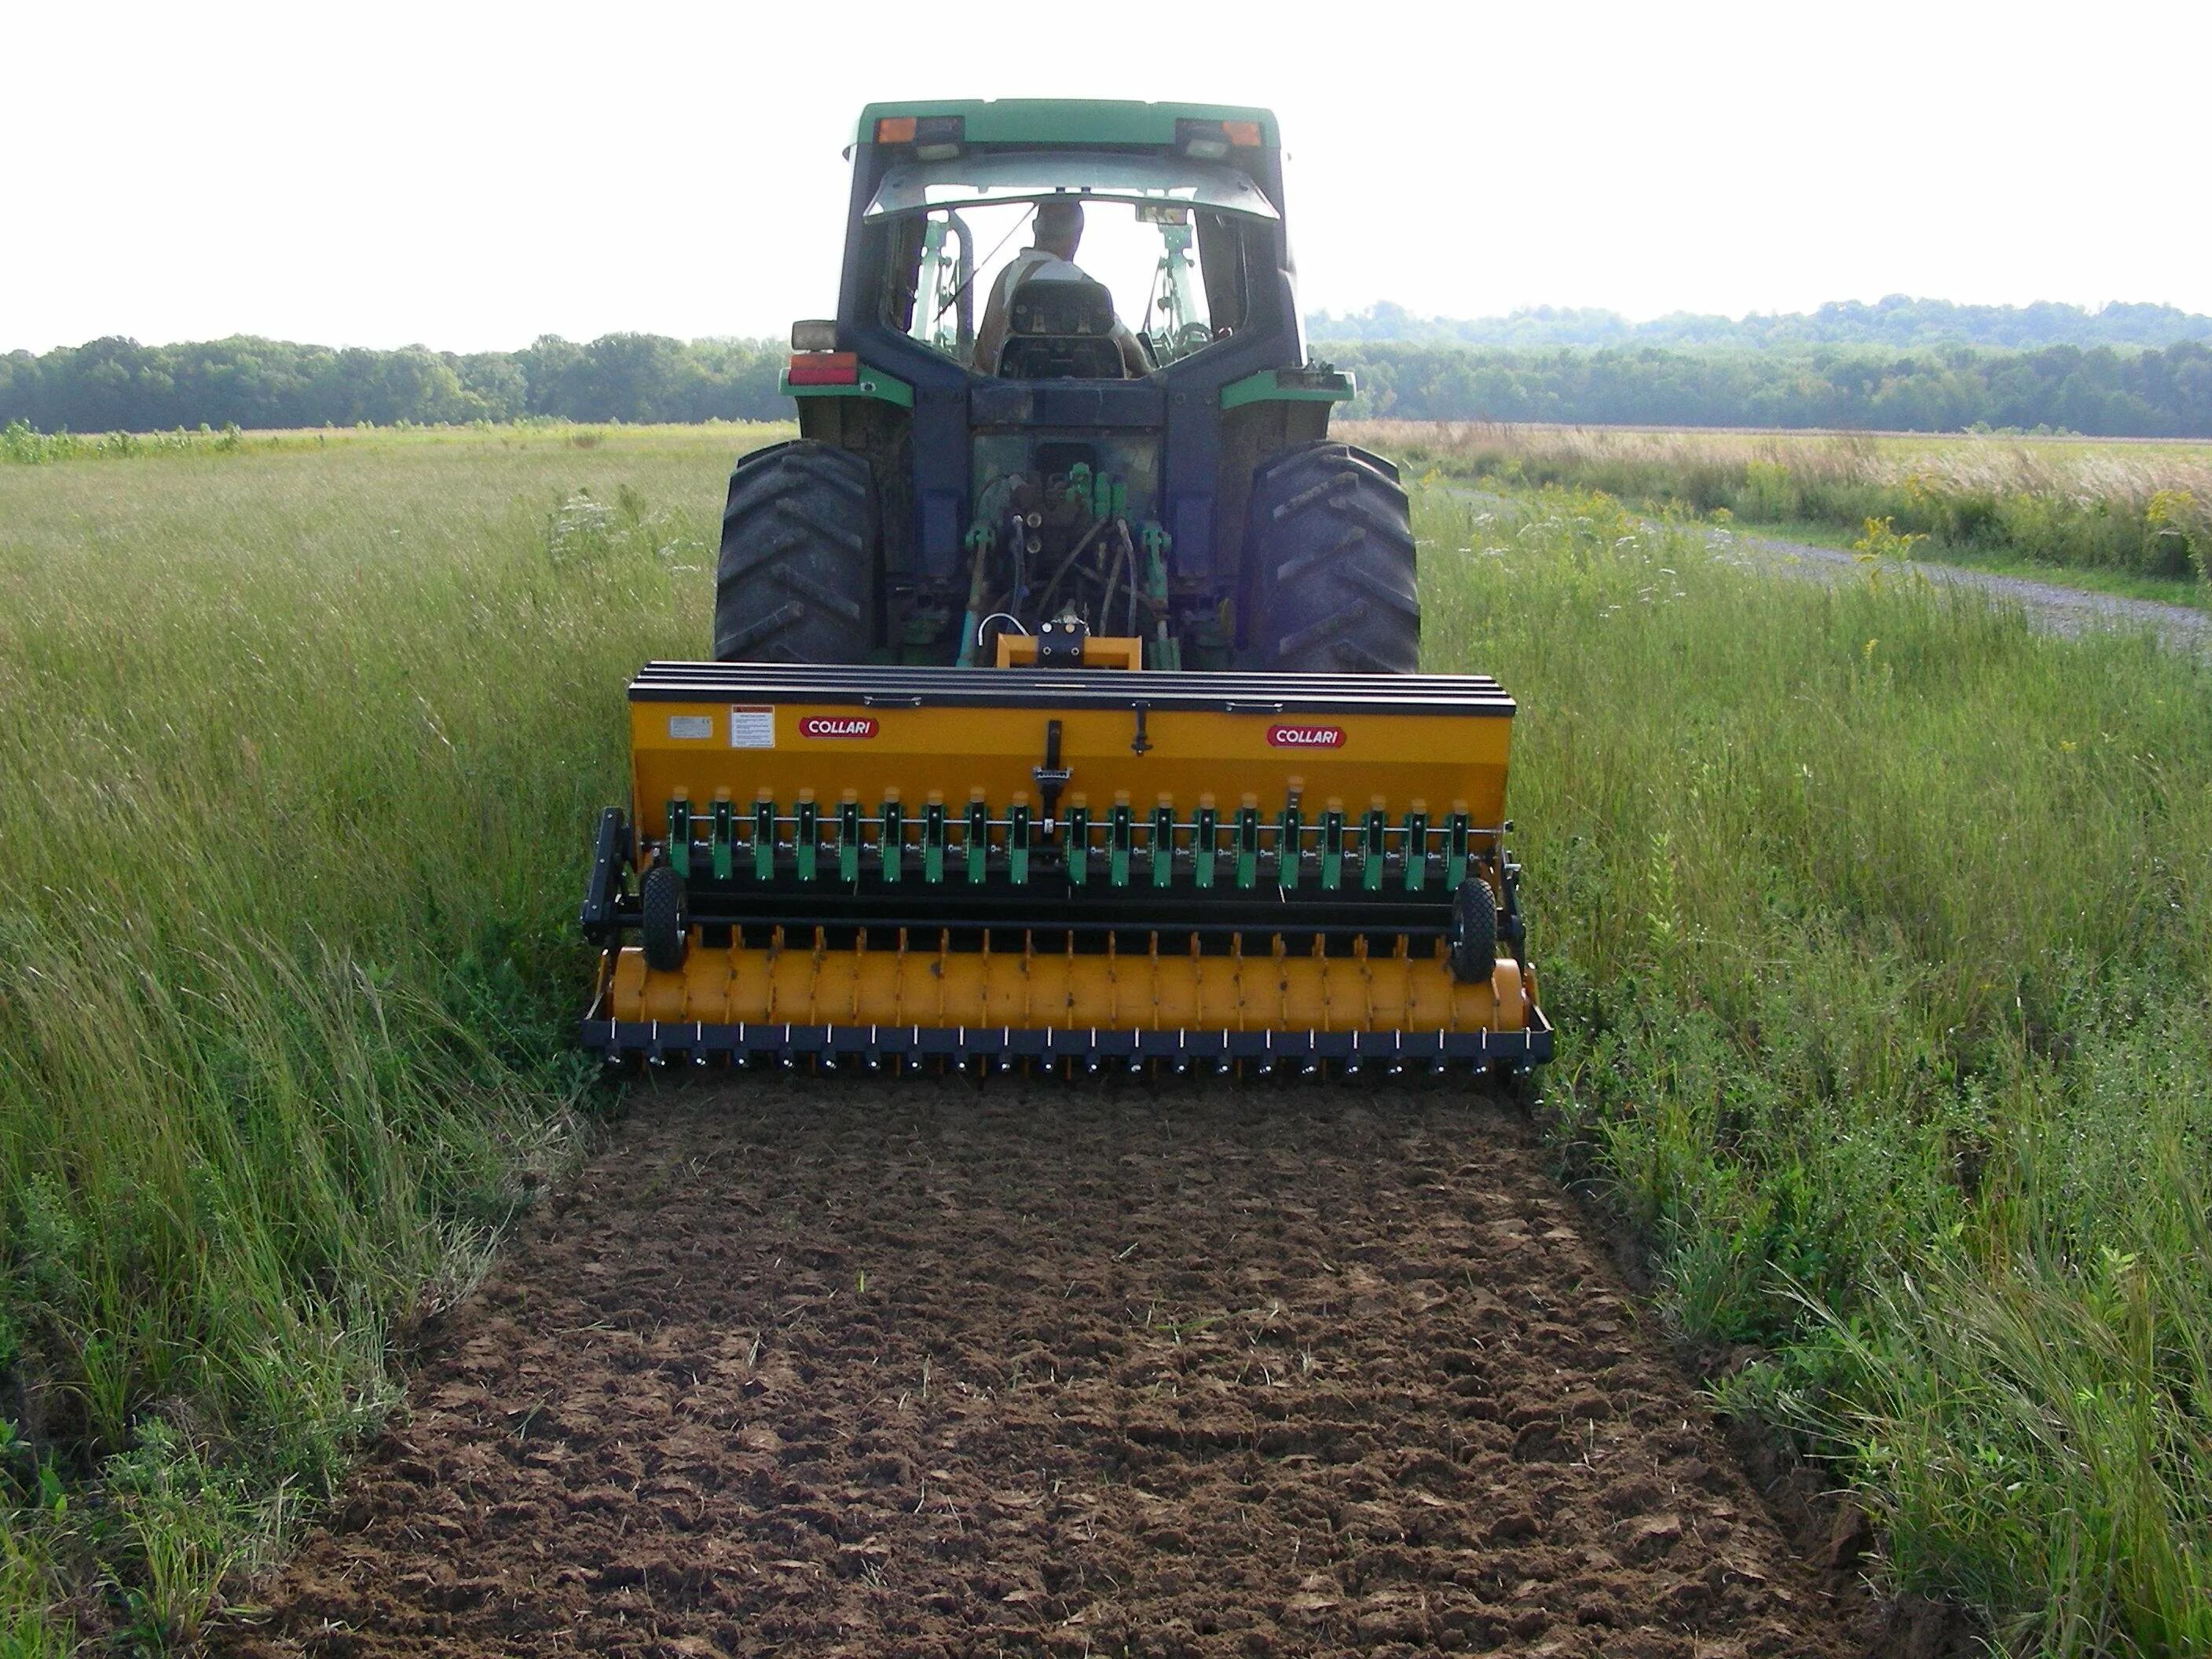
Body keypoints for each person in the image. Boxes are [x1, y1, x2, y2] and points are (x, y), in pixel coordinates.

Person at [971, 200, 1149, 377]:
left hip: (997, 395)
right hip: (1058, 400)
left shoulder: (1008, 272)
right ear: (1077, 234)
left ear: (1035, 227)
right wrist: (1151, 373)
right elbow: (1125, 345)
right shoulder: (1076, 282)